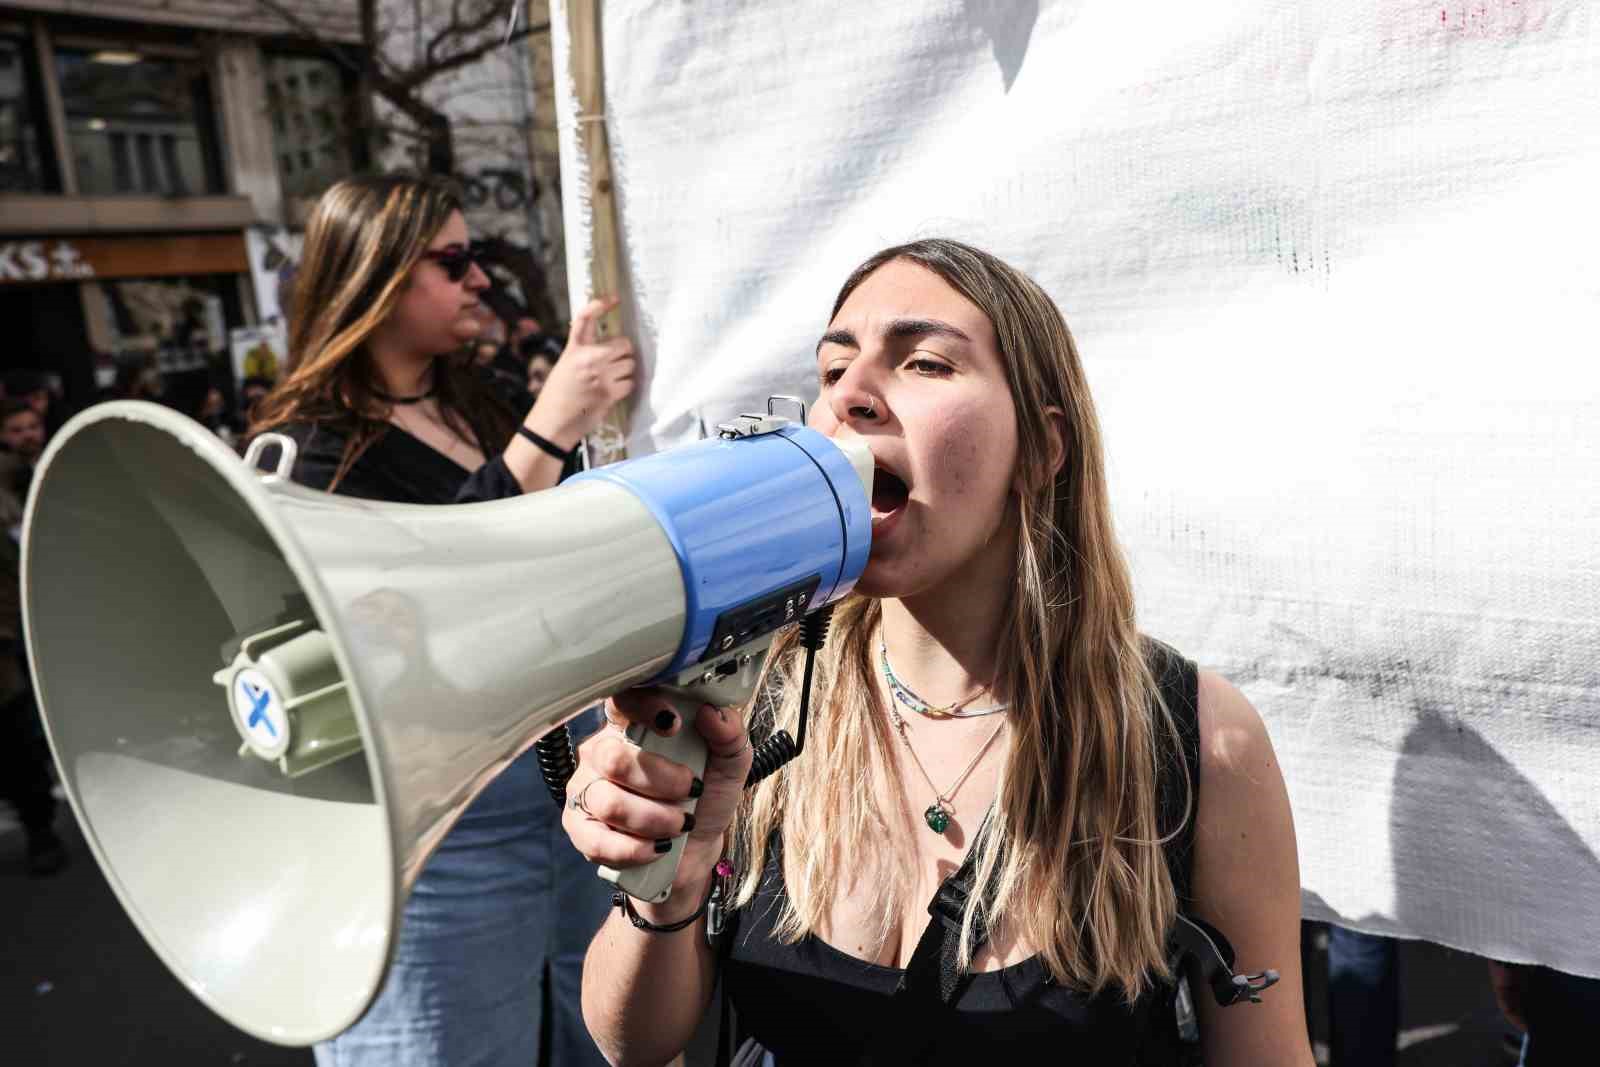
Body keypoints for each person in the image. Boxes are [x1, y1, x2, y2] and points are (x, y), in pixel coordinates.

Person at [561, 239, 1315, 1065]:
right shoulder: (754, 705)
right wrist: (670, 874)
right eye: (831, 369)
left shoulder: (1194, 738)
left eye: (922, 362)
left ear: (1041, 449)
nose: (852, 395)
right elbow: (632, 1044)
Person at [249, 173, 634, 1067]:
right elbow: (433, 585)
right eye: (454, 261)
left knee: (599, 1035)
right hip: (440, 832)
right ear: (378, 278)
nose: (480, 283)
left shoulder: (480, 398)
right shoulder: (309, 447)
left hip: (562, 785)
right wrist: (548, 429)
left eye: (482, 259)